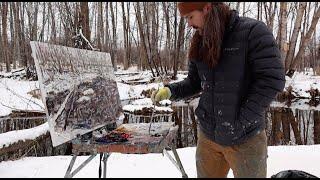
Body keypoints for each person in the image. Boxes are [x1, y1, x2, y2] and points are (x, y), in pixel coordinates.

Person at [151, 2, 286, 178]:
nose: (189, 24)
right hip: (208, 138)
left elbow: (272, 80)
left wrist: (240, 122)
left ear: (206, 8)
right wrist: (170, 91)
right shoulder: (200, 39)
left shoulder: (252, 32)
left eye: (190, 17)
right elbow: (194, 82)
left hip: (245, 139)